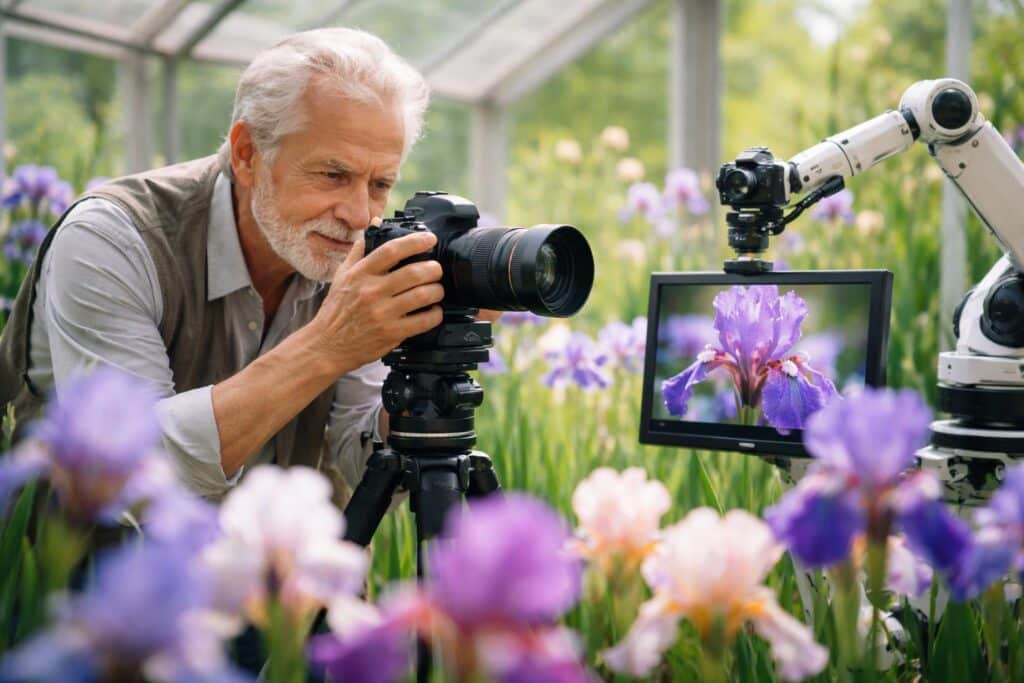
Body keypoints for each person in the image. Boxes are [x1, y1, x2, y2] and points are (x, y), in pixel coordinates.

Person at [0, 27, 454, 504]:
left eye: (380, 184)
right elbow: (130, 472)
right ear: (246, 154)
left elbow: (369, 468)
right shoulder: (113, 236)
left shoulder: (346, 254)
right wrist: (330, 344)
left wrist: (428, 370)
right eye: (332, 175)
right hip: (82, 552)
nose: (359, 215)